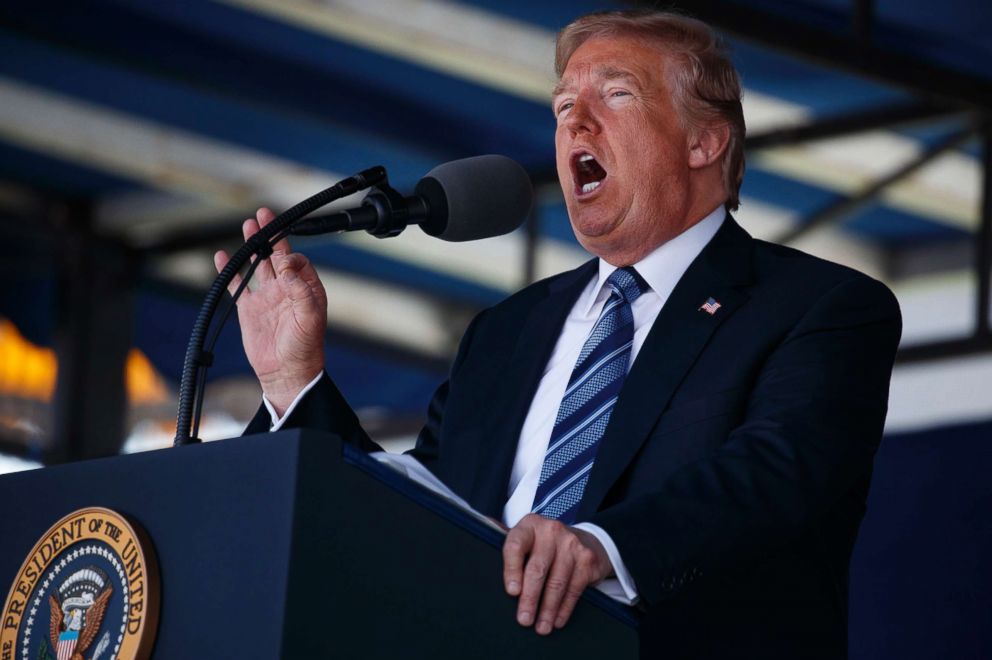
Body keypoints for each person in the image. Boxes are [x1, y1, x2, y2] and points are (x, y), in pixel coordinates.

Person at [216, 9, 901, 658]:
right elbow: (413, 511)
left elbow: (774, 476)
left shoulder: (821, 306)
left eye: (617, 95)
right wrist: (294, 384)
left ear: (705, 140)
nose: (577, 121)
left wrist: (601, 545)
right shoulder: (504, 332)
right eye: (563, 107)